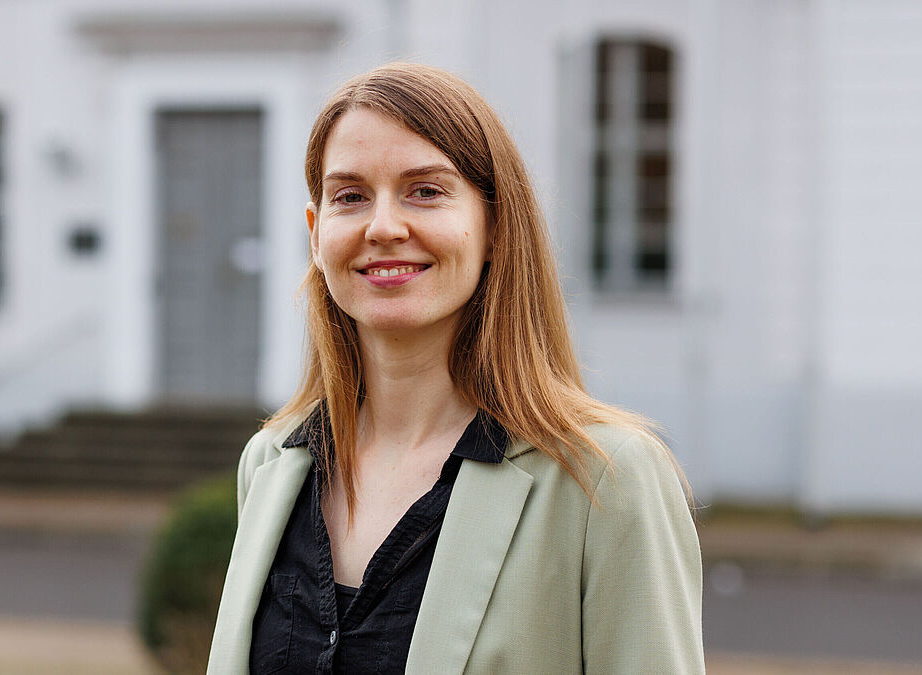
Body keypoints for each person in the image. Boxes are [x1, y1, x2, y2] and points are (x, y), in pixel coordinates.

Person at [208, 62, 703, 674]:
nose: (383, 227)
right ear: (316, 234)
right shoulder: (272, 464)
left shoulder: (605, 478)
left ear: (495, 226)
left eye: (425, 190)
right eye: (350, 197)